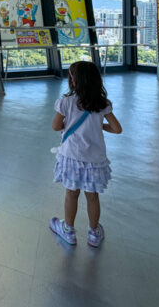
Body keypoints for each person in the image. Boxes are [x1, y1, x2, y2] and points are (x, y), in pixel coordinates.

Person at [49, 61, 122, 247]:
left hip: (71, 156)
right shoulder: (102, 103)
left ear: (74, 81)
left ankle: (68, 231)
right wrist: (99, 126)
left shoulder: (65, 102)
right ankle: (94, 233)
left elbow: (56, 126)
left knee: (71, 193)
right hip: (95, 160)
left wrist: (68, 125)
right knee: (92, 196)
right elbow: (117, 129)